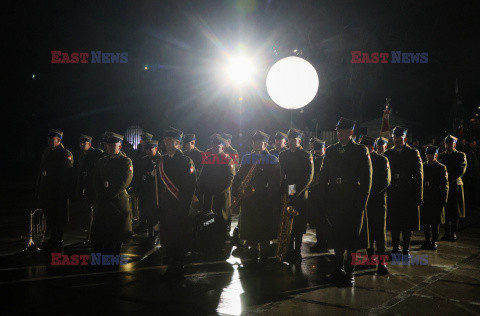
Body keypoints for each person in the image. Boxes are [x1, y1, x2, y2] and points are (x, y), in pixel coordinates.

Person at [318, 118, 372, 287]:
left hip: (352, 202)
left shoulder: (360, 150)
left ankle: (350, 273)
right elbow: (323, 176)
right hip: (335, 201)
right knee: (337, 238)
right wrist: (323, 200)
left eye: (342, 130)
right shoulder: (331, 151)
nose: (338, 133)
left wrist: (361, 204)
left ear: (351, 132)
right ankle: (337, 270)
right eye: (337, 130)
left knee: (352, 241)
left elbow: (366, 180)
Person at [232, 131, 280, 262]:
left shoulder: (272, 159)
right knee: (250, 226)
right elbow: (240, 174)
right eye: (255, 142)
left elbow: (276, 181)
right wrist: (235, 189)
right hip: (249, 199)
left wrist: (269, 196)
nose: (257, 144)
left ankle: (264, 253)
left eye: (260, 142)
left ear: (265, 144)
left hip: (264, 199)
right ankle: (252, 250)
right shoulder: (247, 157)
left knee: (264, 228)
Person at [156, 128, 196, 279]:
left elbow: (190, 186)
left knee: (178, 236)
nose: (166, 142)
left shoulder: (186, 161)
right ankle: (171, 260)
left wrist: (183, 207)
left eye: (169, 140)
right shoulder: (162, 160)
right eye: (165, 140)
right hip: (165, 206)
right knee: (167, 235)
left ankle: (178, 264)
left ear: (178, 143)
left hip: (179, 206)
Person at [91, 133, 133, 256]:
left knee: (115, 235)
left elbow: (124, 182)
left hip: (117, 203)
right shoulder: (102, 161)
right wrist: (100, 194)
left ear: (119, 146)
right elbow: (96, 179)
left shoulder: (125, 161)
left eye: (112, 145)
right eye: (107, 145)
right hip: (103, 201)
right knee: (101, 233)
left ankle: (113, 263)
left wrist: (108, 195)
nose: (109, 147)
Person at [384, 126, 423, 259]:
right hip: (393, 193)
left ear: (405, 139)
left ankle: (405, 249)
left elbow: (419, 176)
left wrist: (419, 195)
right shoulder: (388, 153)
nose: (396, 141)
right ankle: (396, 248)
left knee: (407, 224)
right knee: (394, 223)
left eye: (399, 138)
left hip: (408, 193)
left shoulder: (413, 153)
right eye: (395, 138)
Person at [278, 128, 314, 263]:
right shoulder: (283, 154)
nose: (292, 142)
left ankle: (297, 251)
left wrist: (294, 192)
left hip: (299, 192)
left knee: (298, 224)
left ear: (299, 140)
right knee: (287, 223)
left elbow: (308, 177)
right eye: (290, 140)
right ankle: (287, 250)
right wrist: (283, 190)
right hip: (288, 191)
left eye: (295, 140)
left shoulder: (305, 155)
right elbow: (282, 175)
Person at [36, 129, 74, 251]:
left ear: (59, 140)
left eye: (52, 139)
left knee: (58, 217)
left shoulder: (65, 153)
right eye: (49, 139)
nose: (50, 141)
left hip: (58, 191)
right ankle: (53, 238)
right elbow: (42, 171)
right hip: (47, 190)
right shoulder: (47, 151)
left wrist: (64, 192)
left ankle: (58, 239)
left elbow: (67, 175)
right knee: (49, 216)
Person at [198, 134, 236, 254]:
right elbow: (202, 177)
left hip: (221, 197)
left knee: (221, 221)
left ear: (222, 147)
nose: (215, 148)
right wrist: (201, 189)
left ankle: (220, 245)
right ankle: (209, 243)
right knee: (209, 221)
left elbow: (229, 179)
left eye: (217, 146)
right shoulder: (208, 159)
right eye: (213, 146)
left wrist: (217, 192)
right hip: (209, 197)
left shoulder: (228, 160)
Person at [359, 135, 390, 275]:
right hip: (365, 202)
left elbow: (386, 181)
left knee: (379, 234)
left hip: (377, 202)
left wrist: (369, 193)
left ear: (371, 147)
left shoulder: (382, 160)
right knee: (367, 232)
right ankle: (370, 258)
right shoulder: (360, 161)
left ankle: (382, 263)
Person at [438, 135, 467, 241]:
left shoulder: (460, 155)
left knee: (455, 211)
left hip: (455, 186)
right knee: (446, 210)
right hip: (444, 187)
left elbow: (461, 170)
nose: (449, 146)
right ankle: (446, 232)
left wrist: (447, 177)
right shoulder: (441, 156)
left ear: (454, 144)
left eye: (451, 144)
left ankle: (453, 233)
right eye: (447, 144)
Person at [421, 146, 449, 250]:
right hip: (425, 198)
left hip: (436, 198)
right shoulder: (423, 166)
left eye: (432, 155)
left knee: (435, 222)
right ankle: (427, 240)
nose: (430, 157)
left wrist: (443, 200)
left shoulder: (441, 168)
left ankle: (434, 241)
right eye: (428, 155)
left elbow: (445, 185)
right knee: (426, 222)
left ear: (436, 156)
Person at [134, 140, 162, 242]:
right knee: (146, 212)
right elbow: (139, 174)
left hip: (156, 191)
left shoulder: (161, 159)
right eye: (147, 149)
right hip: (145, 190)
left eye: (151, 149)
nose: (149, 151)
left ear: (156, 149)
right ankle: (149, 232)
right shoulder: (144, 160)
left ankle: (156, 234)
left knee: (155, 213)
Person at [308, 137, 329, 253]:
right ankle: (321, 242)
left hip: (326, 194)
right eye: (316, 150)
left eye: (319, 150)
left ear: (324, 149)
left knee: (324, 221)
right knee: (318, 221)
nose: (317, 152)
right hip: (316, 194)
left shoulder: (328, 159)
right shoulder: (314, 160)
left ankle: (324, 243)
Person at [76, 134, 103, 207]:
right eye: (80, 143)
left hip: (94, 185)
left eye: (84, 143)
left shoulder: (97, 153)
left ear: (89, 144)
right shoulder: (81, 155)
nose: (81, 144)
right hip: (86, 184)